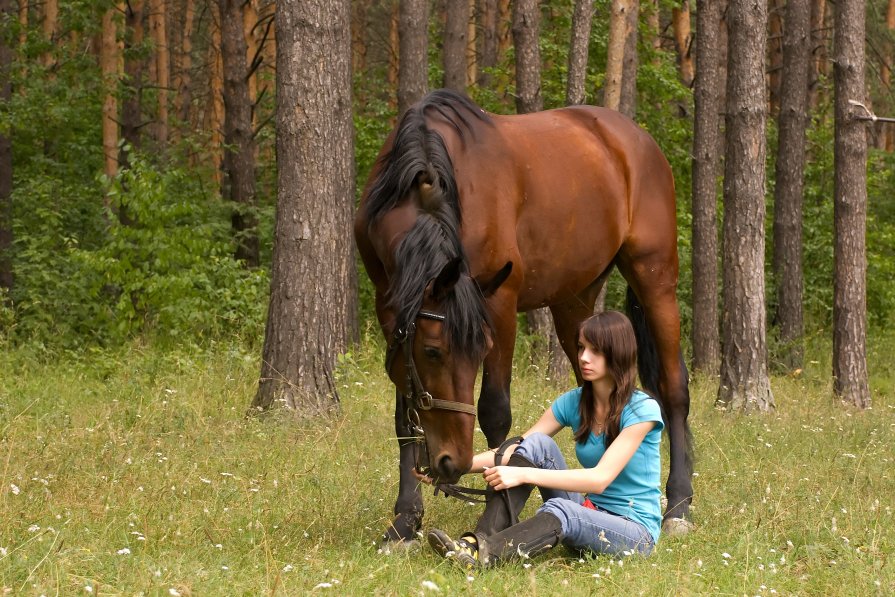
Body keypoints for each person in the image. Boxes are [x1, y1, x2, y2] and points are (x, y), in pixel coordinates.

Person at [425, 310, 665, 569]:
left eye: (595, 351)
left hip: (634, 533)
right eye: (582, 347)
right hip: (590, 511)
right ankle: (475, 542)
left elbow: (599, 479)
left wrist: (525, 475)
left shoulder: (642, 410)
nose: (583, 357)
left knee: (563, 509)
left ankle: (486, 557)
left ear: (618, 353)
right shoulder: (575, 401)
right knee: (538, 443)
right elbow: (519, 448)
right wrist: (456, 467)